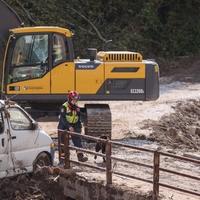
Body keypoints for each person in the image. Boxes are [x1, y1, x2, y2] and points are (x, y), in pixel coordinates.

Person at [58, 91, 88, 162]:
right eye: (73, 100)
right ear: (69, 99)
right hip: (64, 125)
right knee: (63, 142)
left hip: (74, 124)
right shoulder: (64, 106)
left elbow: (78, 117)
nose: (75, 101)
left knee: (77, 139)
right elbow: (62, 118)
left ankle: (80, 157)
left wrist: (79, 128)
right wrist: (69, 127)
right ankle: (63, 159)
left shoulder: (77, 107)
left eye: (76, 100)